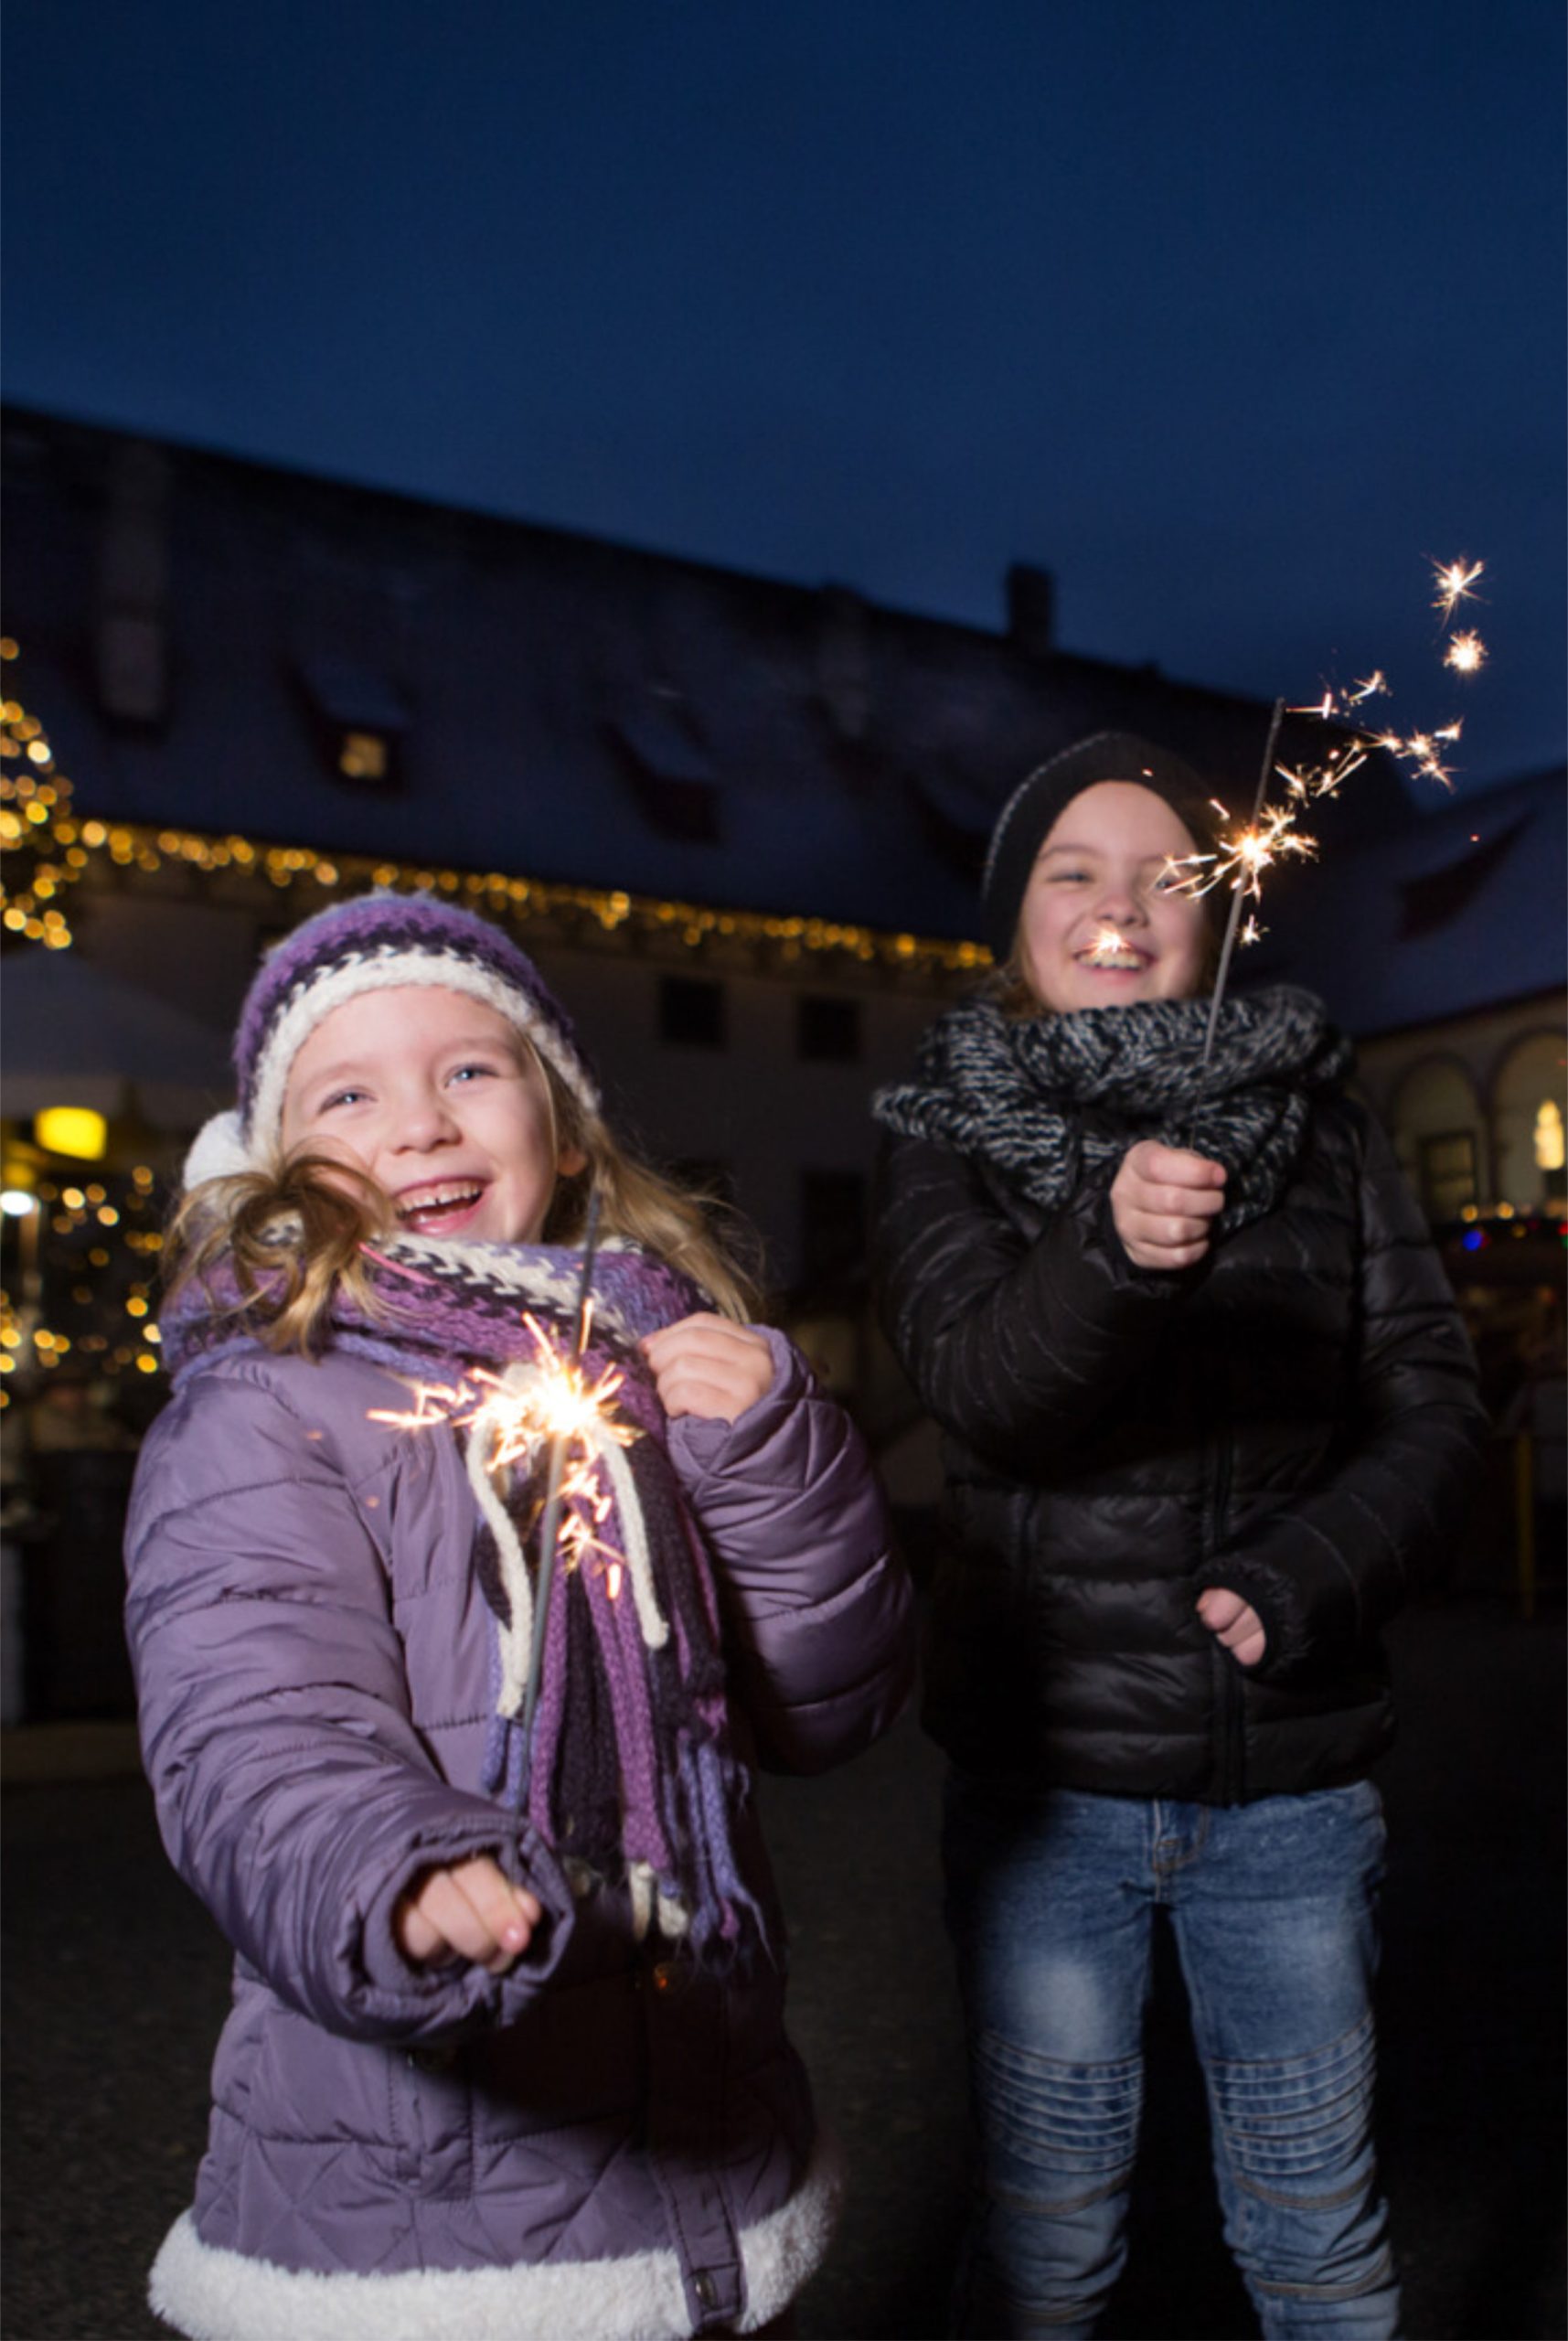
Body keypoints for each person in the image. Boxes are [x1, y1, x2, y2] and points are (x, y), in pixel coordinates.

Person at [125, 890, 914, 2341]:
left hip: (708, 2133)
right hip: (421, 2205)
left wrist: (775, 1459)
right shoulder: (262, 1410)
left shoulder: (654, 1361)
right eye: (351, 1091)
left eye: (470, 1071)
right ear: (277, 1166)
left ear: (563, 1122)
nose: (421, 1124)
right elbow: (249, 1724)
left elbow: (825, 1702)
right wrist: (393, 1871)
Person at [872, 734, 1486, 2339]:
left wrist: (1308, 1578)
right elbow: (983, 1393)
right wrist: (1111, 1249)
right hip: (1049, 1786)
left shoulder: (1332, 1132)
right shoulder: (945, 1125)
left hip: (1288, 1782)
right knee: (1050, 2254)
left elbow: (1435, 1406)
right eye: (1073, 873)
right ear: (1013, 920)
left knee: (1319, 2250)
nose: (1122, 909)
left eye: (1171, 876)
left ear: (1225, 913)